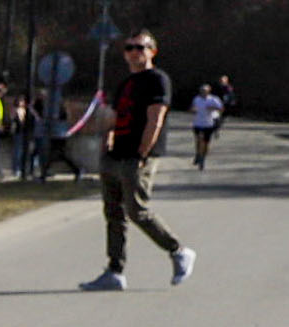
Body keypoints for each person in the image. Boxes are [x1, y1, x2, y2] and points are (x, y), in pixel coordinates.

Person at [81, 30, 195, 291]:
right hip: (115, 154)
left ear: (152, 51)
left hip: (137, 155)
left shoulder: (157, 80)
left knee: (137, 210)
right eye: (129, 48)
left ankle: (178, 251)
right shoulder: (126, 83)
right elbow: (115, 117)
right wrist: (107, 138)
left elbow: (156, 119)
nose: (134, 52)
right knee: (113, 213)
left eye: (140, 48)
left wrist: (143, 153)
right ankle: (114, 271)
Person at [190, 81, 225, 169]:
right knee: (198, 140)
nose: (203, 92)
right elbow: (192, 108)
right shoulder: (196, 99)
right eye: (202, 90)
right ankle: (198, 154)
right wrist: (193, 110)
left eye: (205, 90)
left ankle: (203, 157)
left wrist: (213, 108)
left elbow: (221, 108)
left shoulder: (213, 99)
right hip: (197, 122)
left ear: (208, 91)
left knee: (206, 142)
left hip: (208, 123)